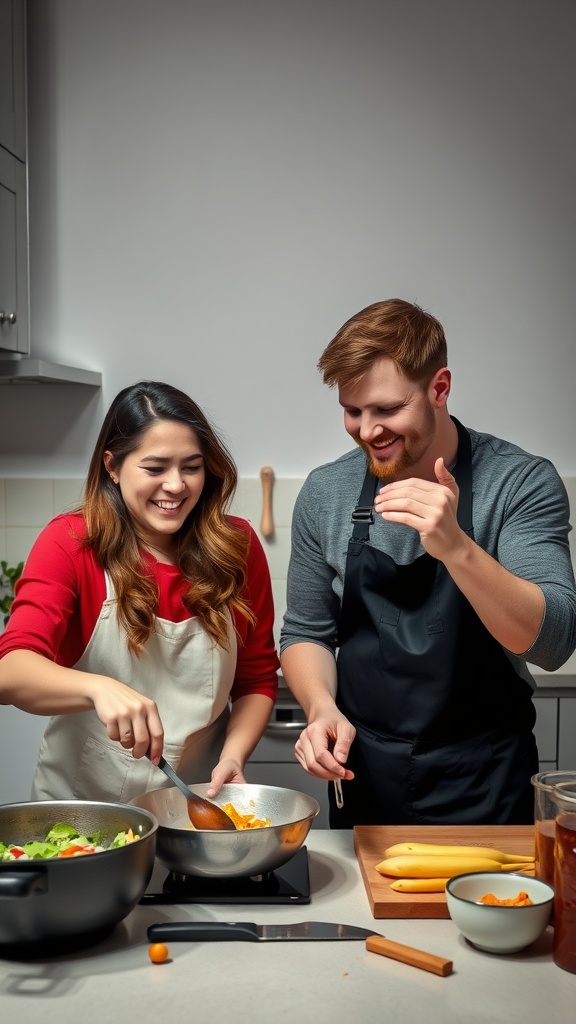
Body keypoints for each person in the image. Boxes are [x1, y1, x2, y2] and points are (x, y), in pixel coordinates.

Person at [280, 299, 576, 827]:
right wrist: (321, 707)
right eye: (353, 410)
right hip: (364, 775)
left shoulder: (520, 483)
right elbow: (306, 632)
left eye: (387, 409)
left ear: (439, 388)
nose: (367, 431)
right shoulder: (326, 492)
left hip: (487, 781)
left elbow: (552, 643)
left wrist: (456, 547)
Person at [0, 381, 279, 802]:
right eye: (155, 468)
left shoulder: (236, 548)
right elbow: (10, 671)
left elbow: (256, 678)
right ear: (112, 466)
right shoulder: (71, 543)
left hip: (197, 801)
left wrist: (234, 756)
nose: (176, 485)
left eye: (192, 466)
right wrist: (98, 688)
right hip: (85, 812)